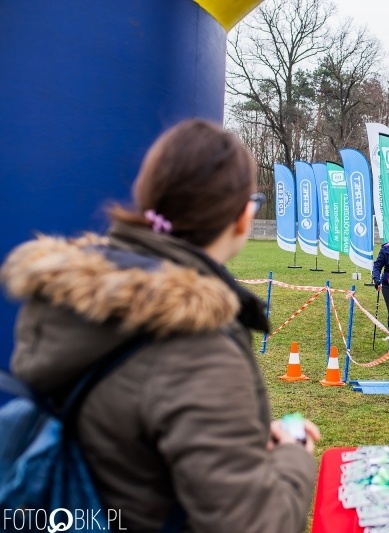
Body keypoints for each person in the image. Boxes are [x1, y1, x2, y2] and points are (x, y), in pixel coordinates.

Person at [0, 119, 320, 532]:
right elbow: (252, 524)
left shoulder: (74, 299)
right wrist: (294, 455)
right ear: (243, 217)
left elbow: (132, 436)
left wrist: (243, 436)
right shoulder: (197, 348)